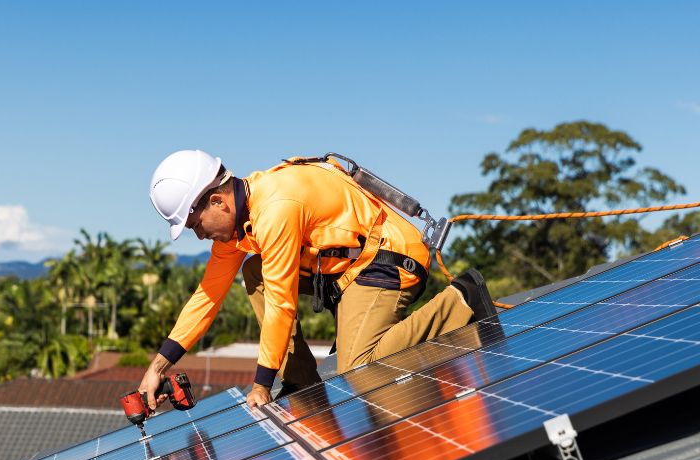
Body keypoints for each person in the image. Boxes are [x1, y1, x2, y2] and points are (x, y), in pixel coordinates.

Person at [138, 150, 495, 410]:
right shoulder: (239, 227)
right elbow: (207, 295)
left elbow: (281, 301)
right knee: (253, 270)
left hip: (387, 259)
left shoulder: (276, 207)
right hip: (347, 272)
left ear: (218, 202)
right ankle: (301, 381)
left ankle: (461, 299)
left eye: (196, 225)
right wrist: (158, 367)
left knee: (360, 368)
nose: (199, 236)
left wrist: (262, 384)